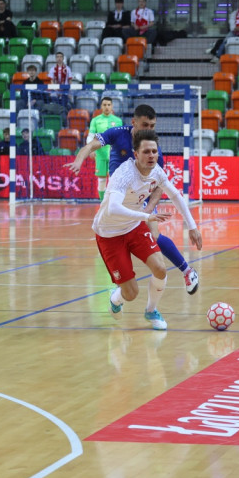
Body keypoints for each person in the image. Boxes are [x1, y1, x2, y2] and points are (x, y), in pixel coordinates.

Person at [66, 104, 200, 294]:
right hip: (119, 194)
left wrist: (147, 211)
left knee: (153, 235)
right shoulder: (118, 133)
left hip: (141, 197)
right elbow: (91, 145)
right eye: (145, 125)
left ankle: (186, 271)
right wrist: (79, 160)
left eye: (153, 126)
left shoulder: (155, 153)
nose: (149, 130)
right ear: (134, 123)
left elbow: (160, 189)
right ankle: (124, 282)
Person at [93, 129, 202, 331]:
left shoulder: (157, 172)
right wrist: (147, 216)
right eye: (146, 152)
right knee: (131, 294)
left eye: (154, 151)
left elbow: (176, 195)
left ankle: (151, 310)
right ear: (136, 154)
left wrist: (193, 227)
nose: (151, 155)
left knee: (160, 268)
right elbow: (113, 208)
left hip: (134, 227)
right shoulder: (124, 174)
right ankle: (116, 298)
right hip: (109, 234)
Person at [87, 96, 123, 198]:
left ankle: (111, 203)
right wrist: (90, 149)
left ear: (112, 106)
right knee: (102, 180)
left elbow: (120, 137)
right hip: (100, 154)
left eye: (108, 105)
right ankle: (102, 203)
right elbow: (90, 136)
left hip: (114, 154)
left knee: (113, 180)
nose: (106, 107)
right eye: (104, 105)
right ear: (101, 106)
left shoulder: (118, 121)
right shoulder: (95, 120)